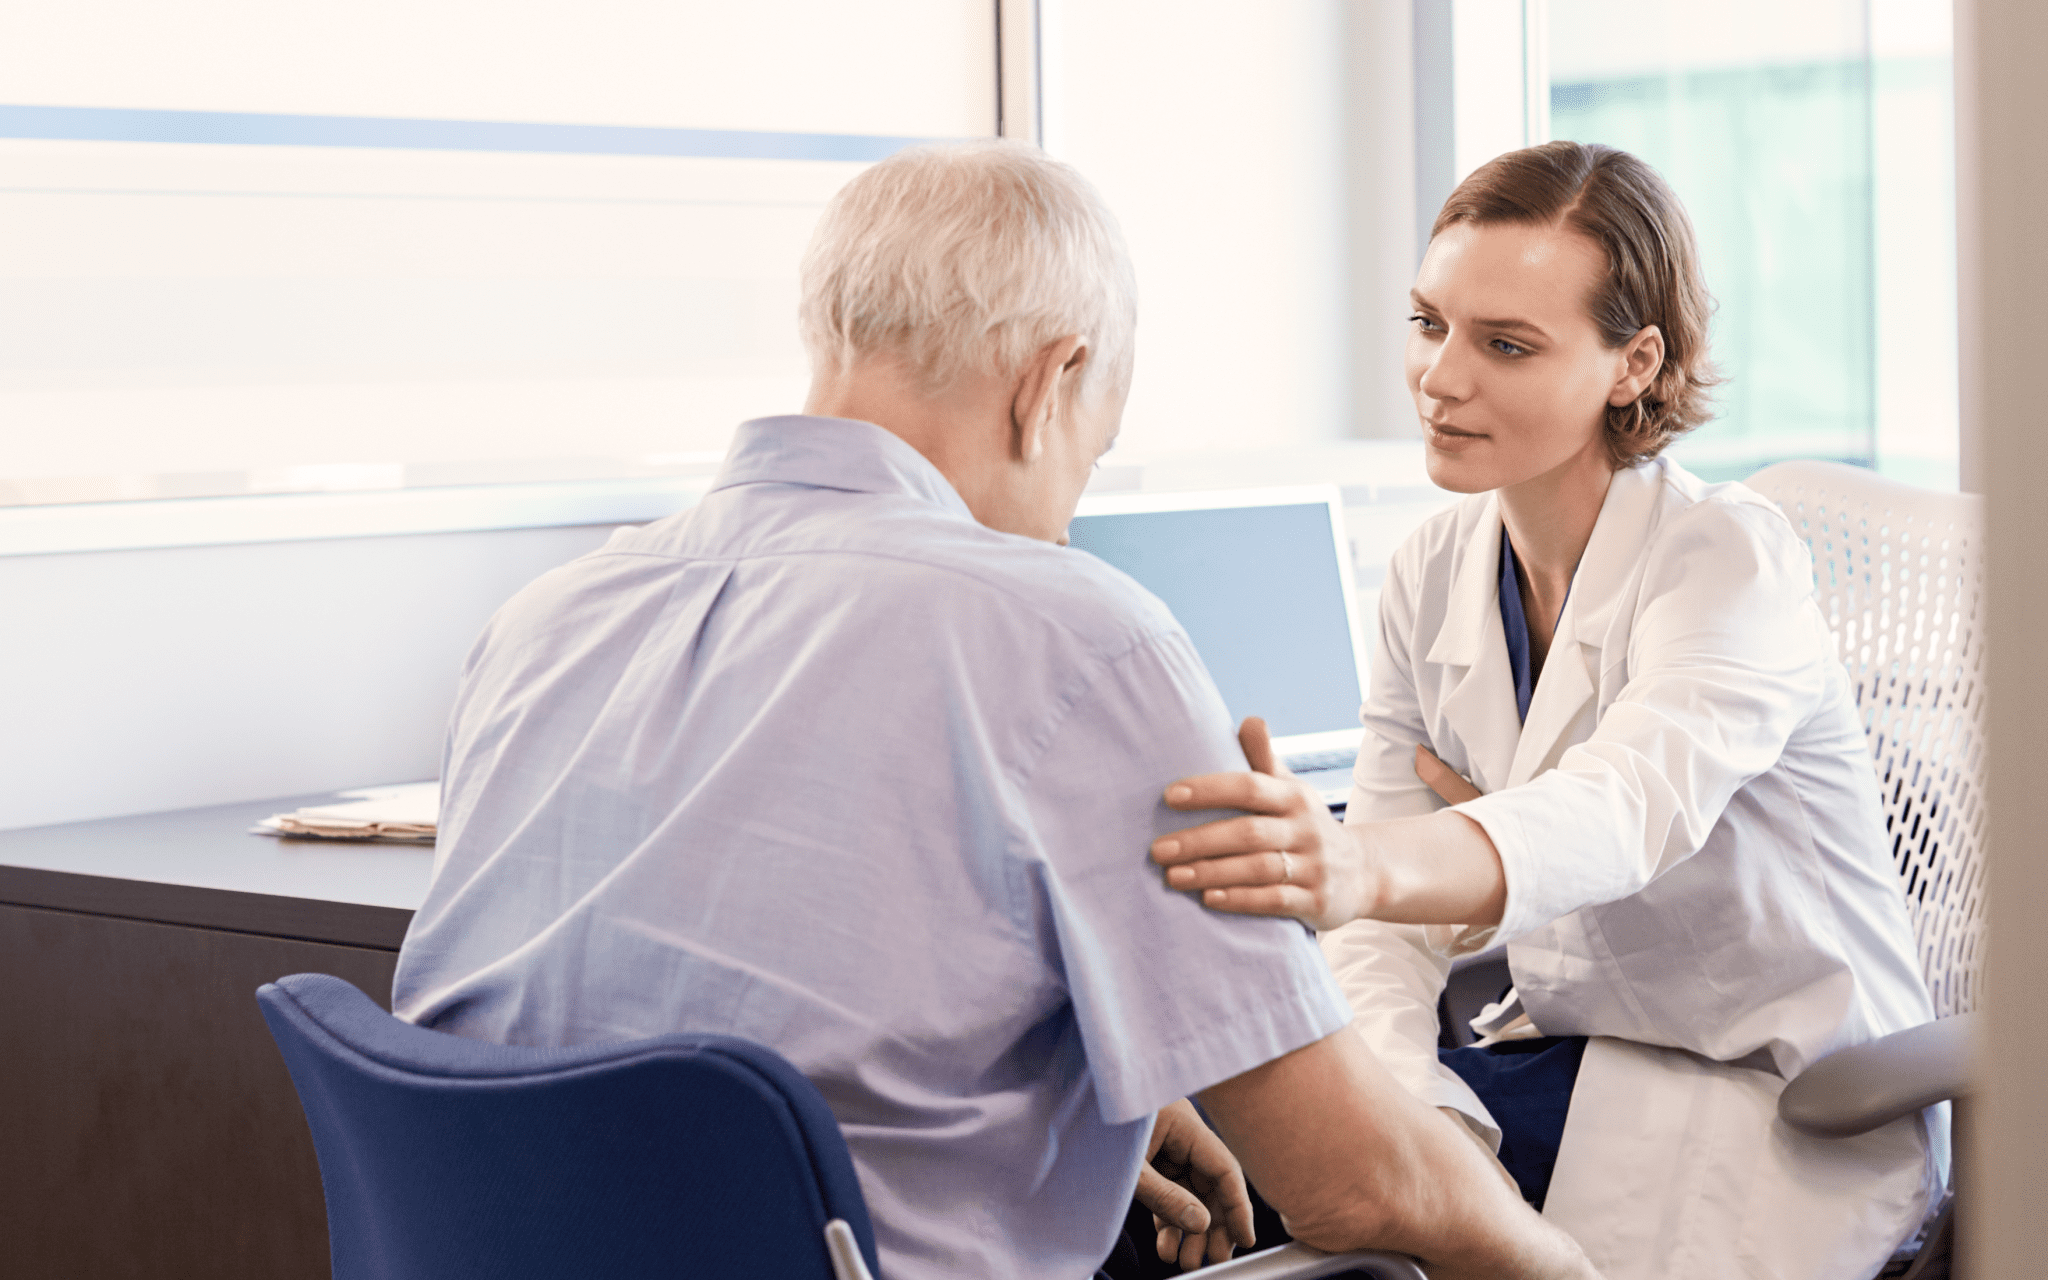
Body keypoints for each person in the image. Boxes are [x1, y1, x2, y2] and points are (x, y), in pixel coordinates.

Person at [390, 140, 1596, 1280]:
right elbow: (1357, 1182)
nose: (1066, 515)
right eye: (1089, 453)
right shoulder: (1072, 631)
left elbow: (660, 1017)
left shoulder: (541, 619)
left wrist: (1074, 1092)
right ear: (1049, 382)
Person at [1150, 141, 1943, 1279]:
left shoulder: (1726, 562)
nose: (1438, 377)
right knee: (1223, 1170)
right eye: (1429, 323)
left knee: (1281, 1200)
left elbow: (1619, 807)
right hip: (1576, 1058)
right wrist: (1410, 1106)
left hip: (1769, 1098)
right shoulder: (1434, 564)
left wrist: (1359, 864)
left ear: (1633, 363)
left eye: (1504, 344)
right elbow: (1383, 928)